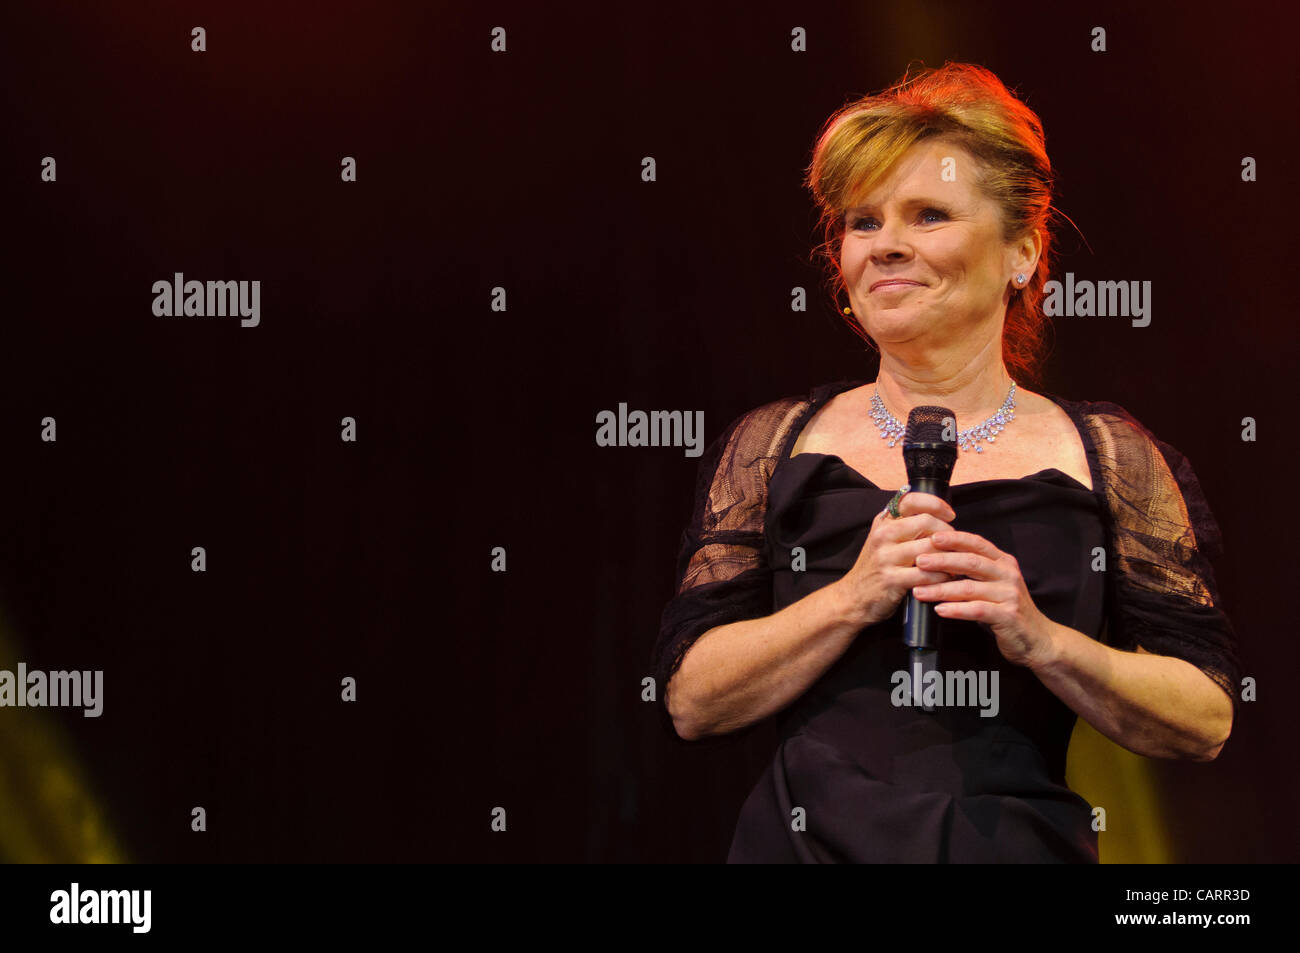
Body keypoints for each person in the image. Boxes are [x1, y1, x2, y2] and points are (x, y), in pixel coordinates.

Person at [651, 62, 1240, 863]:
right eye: (863, 223)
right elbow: (692, 699)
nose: (886, 245)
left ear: (1021, 253)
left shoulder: (1109, 456)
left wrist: (1040, 638)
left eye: (928, 215)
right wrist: (852, 597)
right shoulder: (774, 443)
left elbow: (1204, 717)